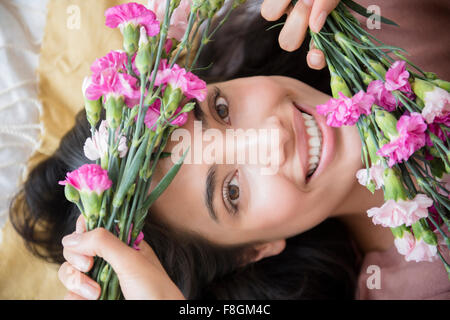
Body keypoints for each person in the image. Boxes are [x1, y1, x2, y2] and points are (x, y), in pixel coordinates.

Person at [9, 0, 450, 300]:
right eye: (232, 191)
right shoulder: (416, 286)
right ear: (254, 250)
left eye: (220, 108)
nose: (273, 138)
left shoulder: (367, 17)